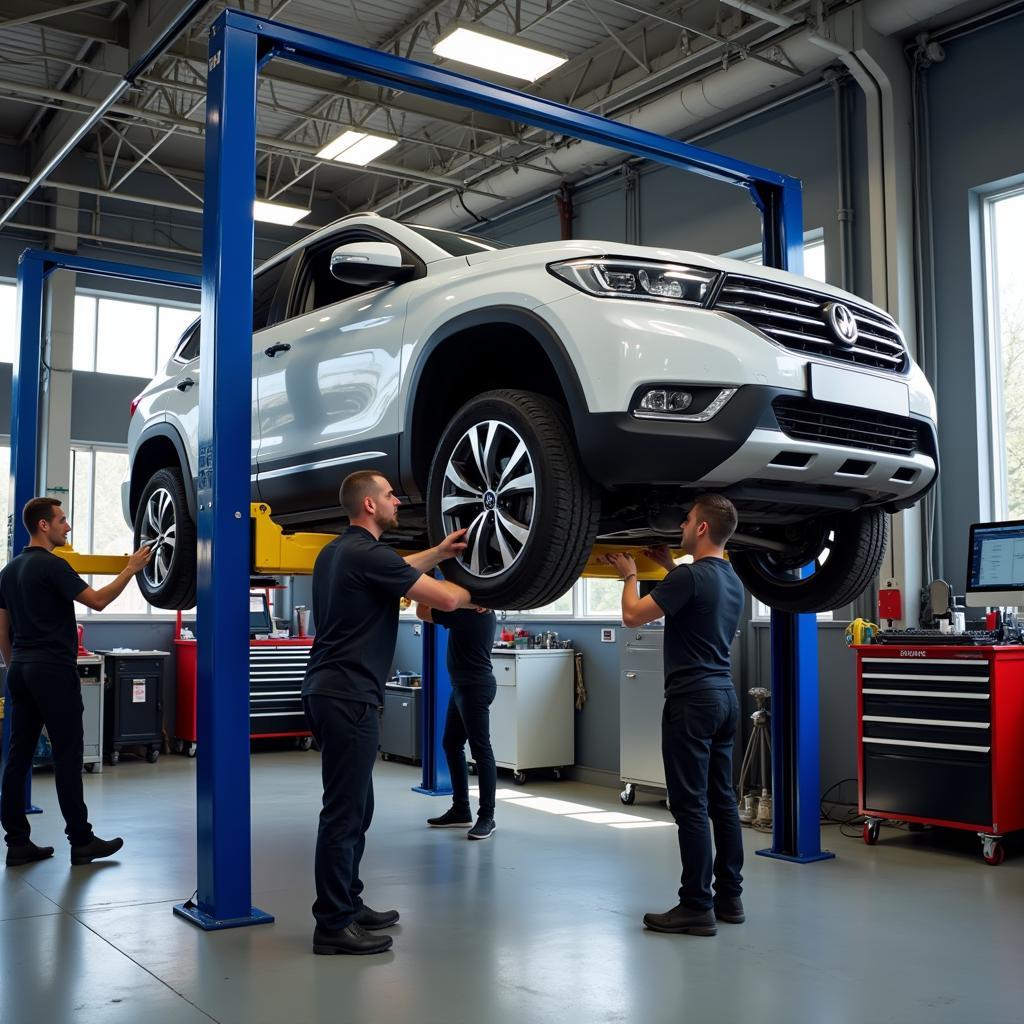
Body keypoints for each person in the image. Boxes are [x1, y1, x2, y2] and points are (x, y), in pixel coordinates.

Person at [302, 470, 474, 956]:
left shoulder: (339, 552)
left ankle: (349, 903)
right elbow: (443, 598)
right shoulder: (368, 555)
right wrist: (483, 593)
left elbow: (398, 568)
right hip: (348, 695)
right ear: (371, 506)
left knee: (360, 806)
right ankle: (332, 925)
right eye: (390, 495)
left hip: (332, 691)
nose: (398, 499)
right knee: (344, 812)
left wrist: (438, 554)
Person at [604, 494, 745, 937]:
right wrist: (669, 566)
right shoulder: (731, 580)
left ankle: (695, 906)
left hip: (691, 702)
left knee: (690, 807)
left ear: (701, 528)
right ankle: (730, 898)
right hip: (725, 698)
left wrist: (629, 576)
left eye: (686, 520)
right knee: (722, 801)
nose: (680, 527)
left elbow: (631, 617)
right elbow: (695, 598)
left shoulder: (688, 577)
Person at [1, 497, 152, 867]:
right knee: (68, 755)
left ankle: (17, 843)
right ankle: (81, 841)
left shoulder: (9, 570)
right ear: (43, 526)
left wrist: (15, 663)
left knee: (17, 756)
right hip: (52, 670)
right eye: (62, 520)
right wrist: (130, 570)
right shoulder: (53, 566)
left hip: (19, 669)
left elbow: (1, 629)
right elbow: (98, 601)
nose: (67, 527)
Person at [415, 603, 498, 841]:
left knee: (482, 750)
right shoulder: (477, 609)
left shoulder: (467, 613)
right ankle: (461, 808)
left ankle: (487, 817)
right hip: (463, 686)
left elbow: (422, 611)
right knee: (451, 743)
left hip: (474, 687)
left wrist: (426, 585)